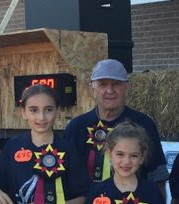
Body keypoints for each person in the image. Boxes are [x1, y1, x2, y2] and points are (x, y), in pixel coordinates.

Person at [64, 59, 168, 195]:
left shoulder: (144, 124)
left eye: (116, 84)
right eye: (102, 84)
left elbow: (157, 177)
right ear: (92, 89)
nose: (110, 90)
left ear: (127, 87)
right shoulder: (76, 127)